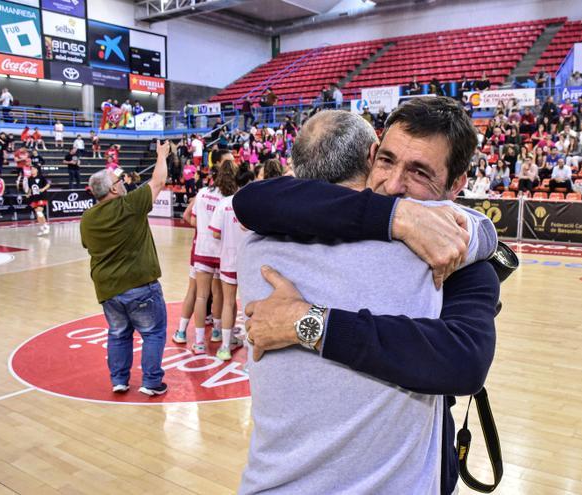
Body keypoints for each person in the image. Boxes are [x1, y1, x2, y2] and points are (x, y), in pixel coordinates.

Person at [234, 100, 498, 494]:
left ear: (457, 185)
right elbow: (253, 200)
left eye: (419, 172)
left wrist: (308, 323)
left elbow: (464, 361)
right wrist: (399, 217)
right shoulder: (299, 217)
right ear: (371, 154)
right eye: (387, 161)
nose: (393, 185)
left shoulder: (455, 259)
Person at [80, 141, 171, 396]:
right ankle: (151, 382)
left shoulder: (87, 218)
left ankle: (119, 380)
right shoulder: (128, 205)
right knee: (153, 333)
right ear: (112, 189)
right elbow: (158, 182)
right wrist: (161, 155)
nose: (122, 182)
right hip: (140, 284)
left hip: (108, 289)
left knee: (118, 333)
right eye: (117, 181)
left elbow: (89, 246)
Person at [208, 162, 254, 360]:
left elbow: (215, 233)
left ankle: (225, 347)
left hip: (227, 260)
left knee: (228, 303)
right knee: (250, 307)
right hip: (248, 262)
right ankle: (251, 354)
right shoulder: (253, 203)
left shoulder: (224, 203)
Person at [186, 168, 225, 354]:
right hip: (220, 251)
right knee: (218, 295)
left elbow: (192, 220)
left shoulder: (201, 194)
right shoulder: (227, 198)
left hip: (202, 249)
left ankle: (199, 342)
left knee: (201, 296)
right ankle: (217, 332)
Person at [24, 165, 51, 236]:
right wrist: (28, 194)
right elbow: (30, 188)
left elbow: (48, 185)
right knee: (37, 214)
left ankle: (46, 226)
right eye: (31, 169)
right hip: (34, 197)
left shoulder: (41, 177)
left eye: (33, 169)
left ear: (37, 170)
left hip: (42, 196)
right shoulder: (29, 179)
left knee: (39, 212)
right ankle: (42, 228)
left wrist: (43, 189)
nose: (32, 170)